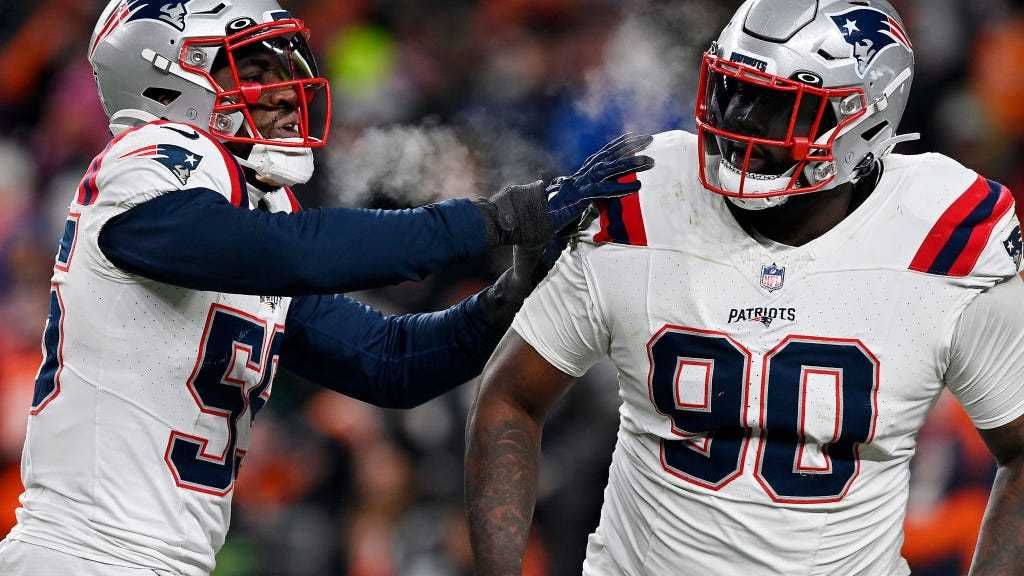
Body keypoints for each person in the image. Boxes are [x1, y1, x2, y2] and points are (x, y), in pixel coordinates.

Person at [0, 1, 655, 575]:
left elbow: (391, 362)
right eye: (253, 69)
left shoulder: (245, 223)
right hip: (83, 556)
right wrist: (492, 220)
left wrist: (512, 294)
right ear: (167, 81)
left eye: (281, 65)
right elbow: (291, 253)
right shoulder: (145, 161)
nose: (284, 91)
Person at [465, 1, 1024, 575]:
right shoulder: (646, 195)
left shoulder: (943, 232)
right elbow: (511, 396)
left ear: (863, 120)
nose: (739, 119)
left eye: (778, 104)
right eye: (733, 89)